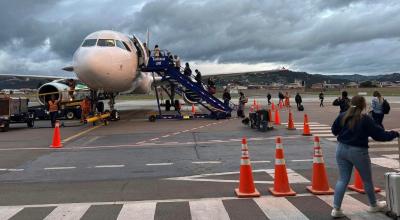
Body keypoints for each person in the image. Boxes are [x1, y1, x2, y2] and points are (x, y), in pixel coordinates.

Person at [330, 95, 399, 218]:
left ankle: (336, 209)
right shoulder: (365, 119)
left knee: (343, 179)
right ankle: (373, 205)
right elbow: (379, 136)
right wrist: (394, 133)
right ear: (363, 106)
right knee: (366, 180)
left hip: (341, 149)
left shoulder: (343, 115)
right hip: (358, 151)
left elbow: (334, 130)